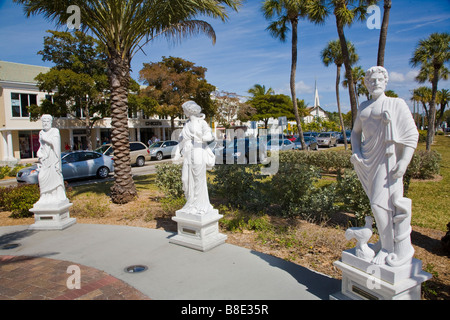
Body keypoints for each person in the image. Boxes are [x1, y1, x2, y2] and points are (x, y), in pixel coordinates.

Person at [351, 66, 419, 266]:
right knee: (379, 204)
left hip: (387, 160)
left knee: (380, 205)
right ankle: (384, 241)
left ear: (386, 81)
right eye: (372, 80)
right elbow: (355, 132)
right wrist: (356, 151)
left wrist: (404, 161)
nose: (376, 83)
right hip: (367, 160)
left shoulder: (396, 104)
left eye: (380, 80)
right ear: (366, 83)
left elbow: (411, 135)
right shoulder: (363, 106)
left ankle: (390, 248)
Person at [173, 101, 216, 215]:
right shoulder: (186, 124)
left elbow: (209, 135)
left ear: (189, 110)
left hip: (198, 151)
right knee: (185, 179)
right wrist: (177, 152)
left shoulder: (201, 122)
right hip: (187, 153)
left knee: (198, 179)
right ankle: (190, 203)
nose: (183, 112)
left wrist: (201, 137)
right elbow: (181, 140)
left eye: (184, 110)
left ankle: (199, 205)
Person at [35, 114, 68, 206]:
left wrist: (45, 139)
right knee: (41, 177)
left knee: (55, 178)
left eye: (47, 121)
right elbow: (41, 146)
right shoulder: (41, 132)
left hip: (53, 159)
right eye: (43, 122)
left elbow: (56, 144)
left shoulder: (54, 131)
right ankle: (44, 196)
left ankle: (57, 196)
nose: (45, 123)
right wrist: (39, 153)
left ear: (50, 122)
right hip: (44, 160)